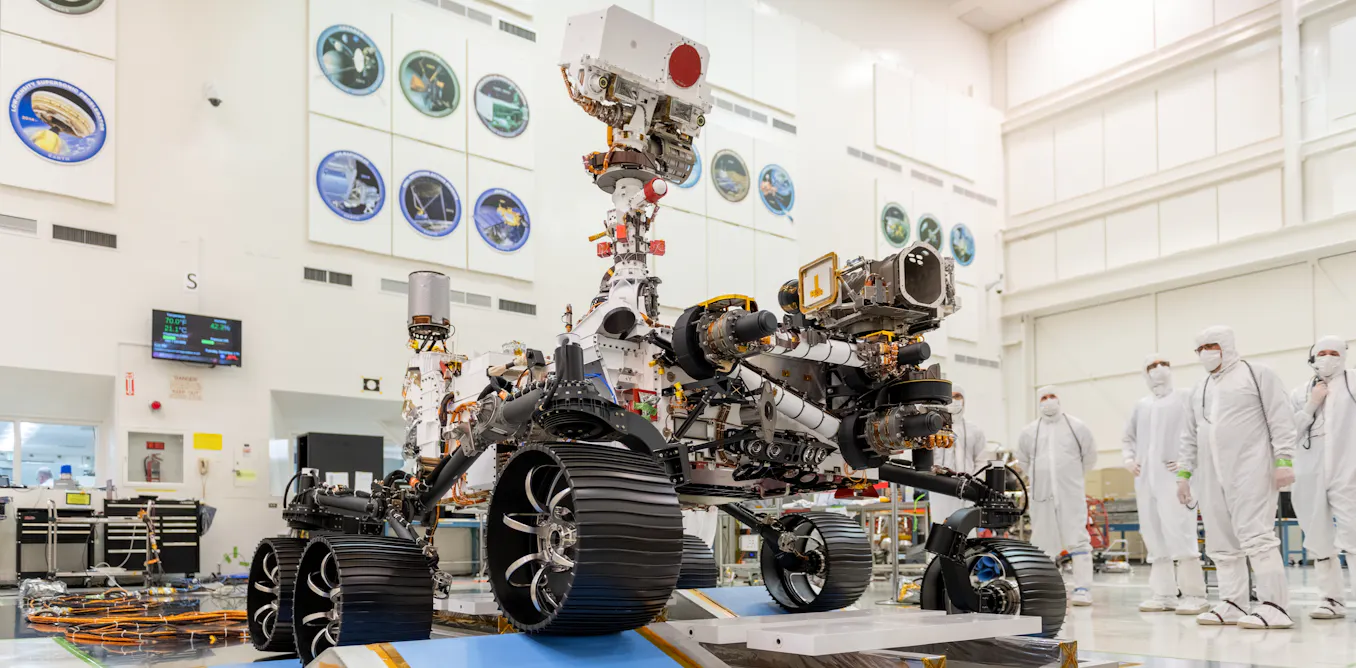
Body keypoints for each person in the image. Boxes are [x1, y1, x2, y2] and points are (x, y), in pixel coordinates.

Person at [1177, 325, 1298, 629]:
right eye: (1200, 348)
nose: (1206, 352)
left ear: (1227, 344)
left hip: (1251, 468)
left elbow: (1281, 418)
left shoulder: (1257, 374)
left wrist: (1284, 459)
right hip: (1210, 475)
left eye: (1212, 345)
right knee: (1220, 541)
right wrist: (1183, 474)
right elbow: (1188, 435)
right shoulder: (1200, 387)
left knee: (1256, 535)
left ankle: (1275, 605)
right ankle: (1233, 602)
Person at [1122, 354, 1209, 615]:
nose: (1159, 369)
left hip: (1175, 478)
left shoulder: (1185, 397)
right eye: (1152, 366)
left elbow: (1198, 431)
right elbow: (1128, 437)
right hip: (1145, 479)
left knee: (1181, 532)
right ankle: (1163, 593)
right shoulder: (1142, 405)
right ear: (1144, 373)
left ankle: (1194, 594)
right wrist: (1129, 459)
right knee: (1153, 534)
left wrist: (1186, 463)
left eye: (1163, 364)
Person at [1289, 335, 1356, 619]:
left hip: (1348, 469)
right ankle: (1331, 599)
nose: (1327, 358)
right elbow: (1288, 432)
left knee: (1354, 533)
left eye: (1334, 352)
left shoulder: (1353, 383)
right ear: (1312, 357)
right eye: (1322, 353)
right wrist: (1310, 406)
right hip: (1309, 471)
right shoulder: (1299, 392)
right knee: (1317, 536)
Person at [1018, 385, 1097, 606]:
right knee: (1042, 541)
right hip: (1041, 495)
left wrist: (1071, 477)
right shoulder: (1029, 432)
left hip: (1070, 493)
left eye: (1053, 396)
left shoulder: (1076, 426)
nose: (1049, 400)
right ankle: (1048, 588)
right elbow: (1024, 461)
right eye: (1044, 397)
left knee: (1078, 538)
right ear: (1038, 402)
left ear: (1059, 399)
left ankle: (1082, 588)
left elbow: (1089, 456)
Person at [931, 385, 987, 524]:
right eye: (951, 397)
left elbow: (982, 460)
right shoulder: (933, 429)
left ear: (964, 400)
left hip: (967, 489)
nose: (954, 400)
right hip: (939, 488)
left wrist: (975, 483)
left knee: (967, 528)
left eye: (957, 396)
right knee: (941, 527)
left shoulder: (975, 430)